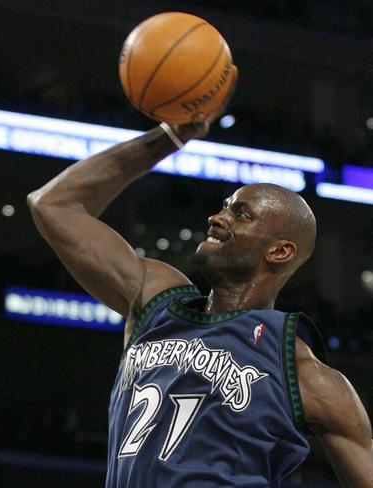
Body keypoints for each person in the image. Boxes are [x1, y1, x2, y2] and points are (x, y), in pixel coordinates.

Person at [27, 65, 373, 487]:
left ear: (279, 251)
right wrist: (170, 138)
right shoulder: (156, 300)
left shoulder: (303, 372)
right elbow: (54, 205)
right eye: (224, 207)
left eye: (240, 214)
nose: (216, 217)